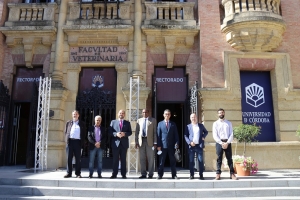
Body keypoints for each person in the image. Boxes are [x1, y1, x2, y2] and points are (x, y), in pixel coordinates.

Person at [213, 108, 238, 180]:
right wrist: (221, 143)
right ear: (218, 114)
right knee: (219, 159)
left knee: (229, 159)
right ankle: (218, 174)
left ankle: (232, 174)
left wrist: (227, 143)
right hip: (219, 142)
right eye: (220, 113)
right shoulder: (215, 124)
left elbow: (231, 134)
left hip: (228, 142)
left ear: (224, 113)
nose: (221, 114)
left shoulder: (229, 123)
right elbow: (215, 135)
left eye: (222, 112)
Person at [156, 109, 179, 180]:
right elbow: (158, 135)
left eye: (168, 114)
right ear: (163, 115)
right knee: (161, 161)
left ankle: (174, 175)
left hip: (171, 146)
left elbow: (176, 135)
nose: (167, 115)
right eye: (166, 114)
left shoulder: (173, 124)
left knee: (172, 161)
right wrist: (158, 145)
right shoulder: (160, 124)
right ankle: (160, 175)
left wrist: (177, 143)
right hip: (162, 146)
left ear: (170, 115)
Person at [109, 109, 132, 179]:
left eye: (122, 113)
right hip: (116, 143)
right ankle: (114, 174)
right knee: (115, 159)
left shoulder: (127, 123)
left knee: (123, 159)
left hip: (124, 144)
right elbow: (110, 131)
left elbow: (130, 132)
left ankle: (123, 174)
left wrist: (124, 134)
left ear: (124, 115)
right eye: (120, 113)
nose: (121, 114)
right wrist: (116, 134)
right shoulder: (113, 122)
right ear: (118, 114)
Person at [184, 113, 208, 180]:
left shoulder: (201, 126)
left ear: (196, 118)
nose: (193, 118)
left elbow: (206, 132)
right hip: (191, 146)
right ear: (190, 118)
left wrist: (203, 136)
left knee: (200, 161)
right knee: (191, 161)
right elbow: (185, 136)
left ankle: (201, 175)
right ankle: (192, 175)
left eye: (194, 117)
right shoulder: (188, 126)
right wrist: (190, 142)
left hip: (199, 146)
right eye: (192, 117)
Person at [135, 109, 157, 179]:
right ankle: (143, 173)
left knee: (151, 158)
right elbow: (136, 132)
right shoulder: (139, 120)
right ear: (142, 113)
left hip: (150, 141)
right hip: (141, 141)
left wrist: (155, 142)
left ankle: (150, 174)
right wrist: (136, 142)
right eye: (143, 112)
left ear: (148, 113)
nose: (145, 113)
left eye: (146, 112)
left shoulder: (153, 120)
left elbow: (155, 132)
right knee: (142, 158)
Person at [64, 110, 86, 178]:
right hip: (70, 142)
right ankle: (69, 173)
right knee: (69, 158)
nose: (75, 115)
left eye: (76, 114)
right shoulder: (68, 123)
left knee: (78, 159)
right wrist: (66, 140)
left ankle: (78, 173)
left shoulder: (82, 123)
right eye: (73, 114)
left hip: (78, 142)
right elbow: (65, 132)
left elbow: (84, 133)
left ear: (78, 115)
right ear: (72, 115)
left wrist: (82, 142)